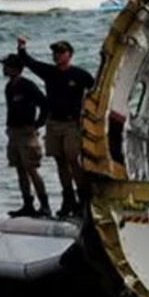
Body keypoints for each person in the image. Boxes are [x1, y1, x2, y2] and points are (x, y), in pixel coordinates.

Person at [17, 35, 96, 217]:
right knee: (59, 160)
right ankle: (68, 197)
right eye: (55, 53)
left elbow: (97, 92)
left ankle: (84, 198)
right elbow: (29, 62)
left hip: (71, 124)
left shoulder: (80, 75)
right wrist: (21, 48)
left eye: (61, 52)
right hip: (53, 123)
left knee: (72, 159)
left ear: (70, 54)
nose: (57, 56)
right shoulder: (50, 72)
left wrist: (90, 115)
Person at [2, 53, 50, 218]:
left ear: (16, 68)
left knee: (31, 169)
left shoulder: (27, 85)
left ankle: (44, 205)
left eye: (7, 66)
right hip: (13, 132)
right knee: (19, 169)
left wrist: (38, 124)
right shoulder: (9, 87)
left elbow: (45, 105)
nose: (4, 69)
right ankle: (27, 204)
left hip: (26, 131)